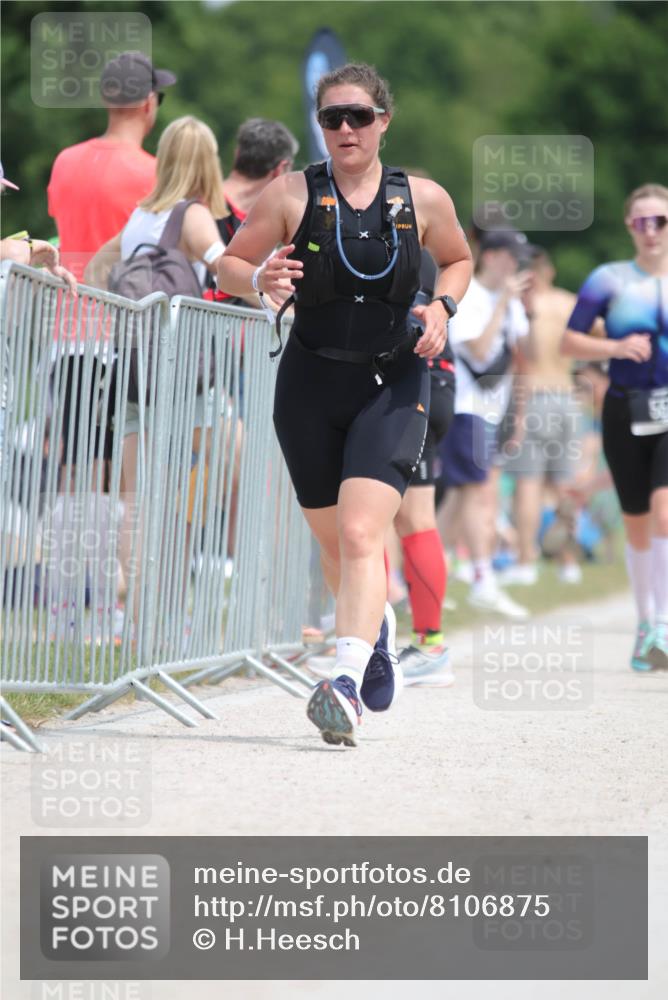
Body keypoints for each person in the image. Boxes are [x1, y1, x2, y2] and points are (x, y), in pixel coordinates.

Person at [218, 62, 472, 746]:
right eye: (332, 118)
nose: (346, 129)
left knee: (364, 536)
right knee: (336, 546)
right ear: (319, 126)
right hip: (308, 385)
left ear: (384, 120)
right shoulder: (290, 195)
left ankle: (345, 683)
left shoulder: (423, 197)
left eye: (359, 115)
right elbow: (227, 264)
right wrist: (257, 278)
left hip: (393, 381)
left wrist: (444, 307)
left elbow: (457, 259)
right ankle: (378, 629)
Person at [84, 116, 229, 624]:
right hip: (184, 374)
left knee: (135, 498)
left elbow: (97, 270)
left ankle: (136, 612)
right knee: (212, 468)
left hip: (133, 372)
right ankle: (167, 609)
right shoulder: (192, 216)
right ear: (206, 163)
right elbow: (229, 268)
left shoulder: (139, 218)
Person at [562, 183, 668, 671]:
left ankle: (664, 622)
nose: (651, 230)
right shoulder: (610, 279)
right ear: (629, 226)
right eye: (641, 221)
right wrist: (615, 350)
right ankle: (646, 624)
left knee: (664, 512)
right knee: (637, 523)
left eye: (660, 221)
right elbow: (569, 342)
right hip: (626, 408)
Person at [439, 230, 534, 619]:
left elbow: (525, 357)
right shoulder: (470, 295)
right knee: (479, 494)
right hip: (465, 407)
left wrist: (520, 415)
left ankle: (429, 574)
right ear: (491, 256)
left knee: (463, 499)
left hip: (492, 411)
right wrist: (504, 305)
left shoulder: (510, 303)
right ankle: (482, 579)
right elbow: (478, 353)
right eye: (512, 257)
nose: (518, 265)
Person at [501, 247, 582, 585]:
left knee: (528, 486)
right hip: (568, 397)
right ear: (549, 270)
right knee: (564, 486)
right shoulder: (569, 303)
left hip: (531, 400)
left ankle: (525, 561)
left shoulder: (517, 306)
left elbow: (518, 359)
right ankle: (568, 562)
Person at [393, 248, 455, 682]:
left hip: (411, 379)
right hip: (438, 379)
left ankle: (375, 642)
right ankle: (426, 642)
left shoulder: (396, 240)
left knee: (389, 517)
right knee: (412, 520)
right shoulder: (437, 251)